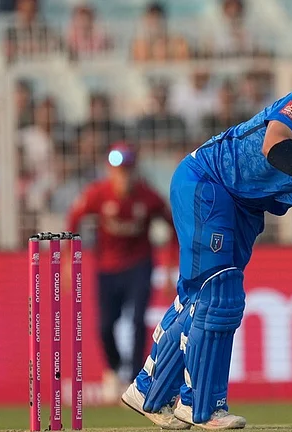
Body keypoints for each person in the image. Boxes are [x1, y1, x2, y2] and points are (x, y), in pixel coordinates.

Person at [120, 63, 292, 430]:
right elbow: (274, 142)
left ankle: (148, 392)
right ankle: (201, 407)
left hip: (246, 207)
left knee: (200, 297)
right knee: (220, 293)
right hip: (208, 180)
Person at [66, 142, 176, 404]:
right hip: (106, 268)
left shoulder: (147, 197)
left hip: (139, 265)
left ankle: (135, 379)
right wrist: (68, 261)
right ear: (109, 170)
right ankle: (113, 370)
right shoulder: (98, 194)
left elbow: (173, 229)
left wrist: (171, 268)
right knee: (105, 326)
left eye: (127, 170)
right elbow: (74, 219)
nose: (123, 177)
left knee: (138, 320)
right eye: (118, 171)